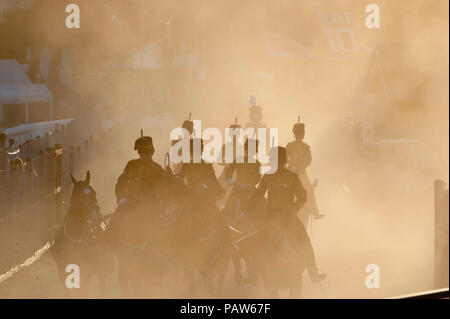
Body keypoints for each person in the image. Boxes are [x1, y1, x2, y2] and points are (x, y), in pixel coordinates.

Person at [252, 146, 326, 284]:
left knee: (259, 243)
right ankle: (313, 274)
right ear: (285, 160)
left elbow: (258, 196)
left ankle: (254, 275)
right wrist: (294, 209)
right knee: (305, 244)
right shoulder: (290, 176)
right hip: (285, 216)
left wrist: (258, 209)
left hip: (276, 217)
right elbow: (303, 197)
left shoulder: (270, 176)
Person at [286, 122, 323, 225]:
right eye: (297, 133)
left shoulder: (306, 147)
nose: (299, 135)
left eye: (300, 133)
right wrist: (290, 166)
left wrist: (298, 167)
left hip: (300, 172)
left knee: (309, 191)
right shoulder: (290, 146)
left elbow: (308, 161)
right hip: (291, 171)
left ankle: (315, 212)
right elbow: (285, 158)